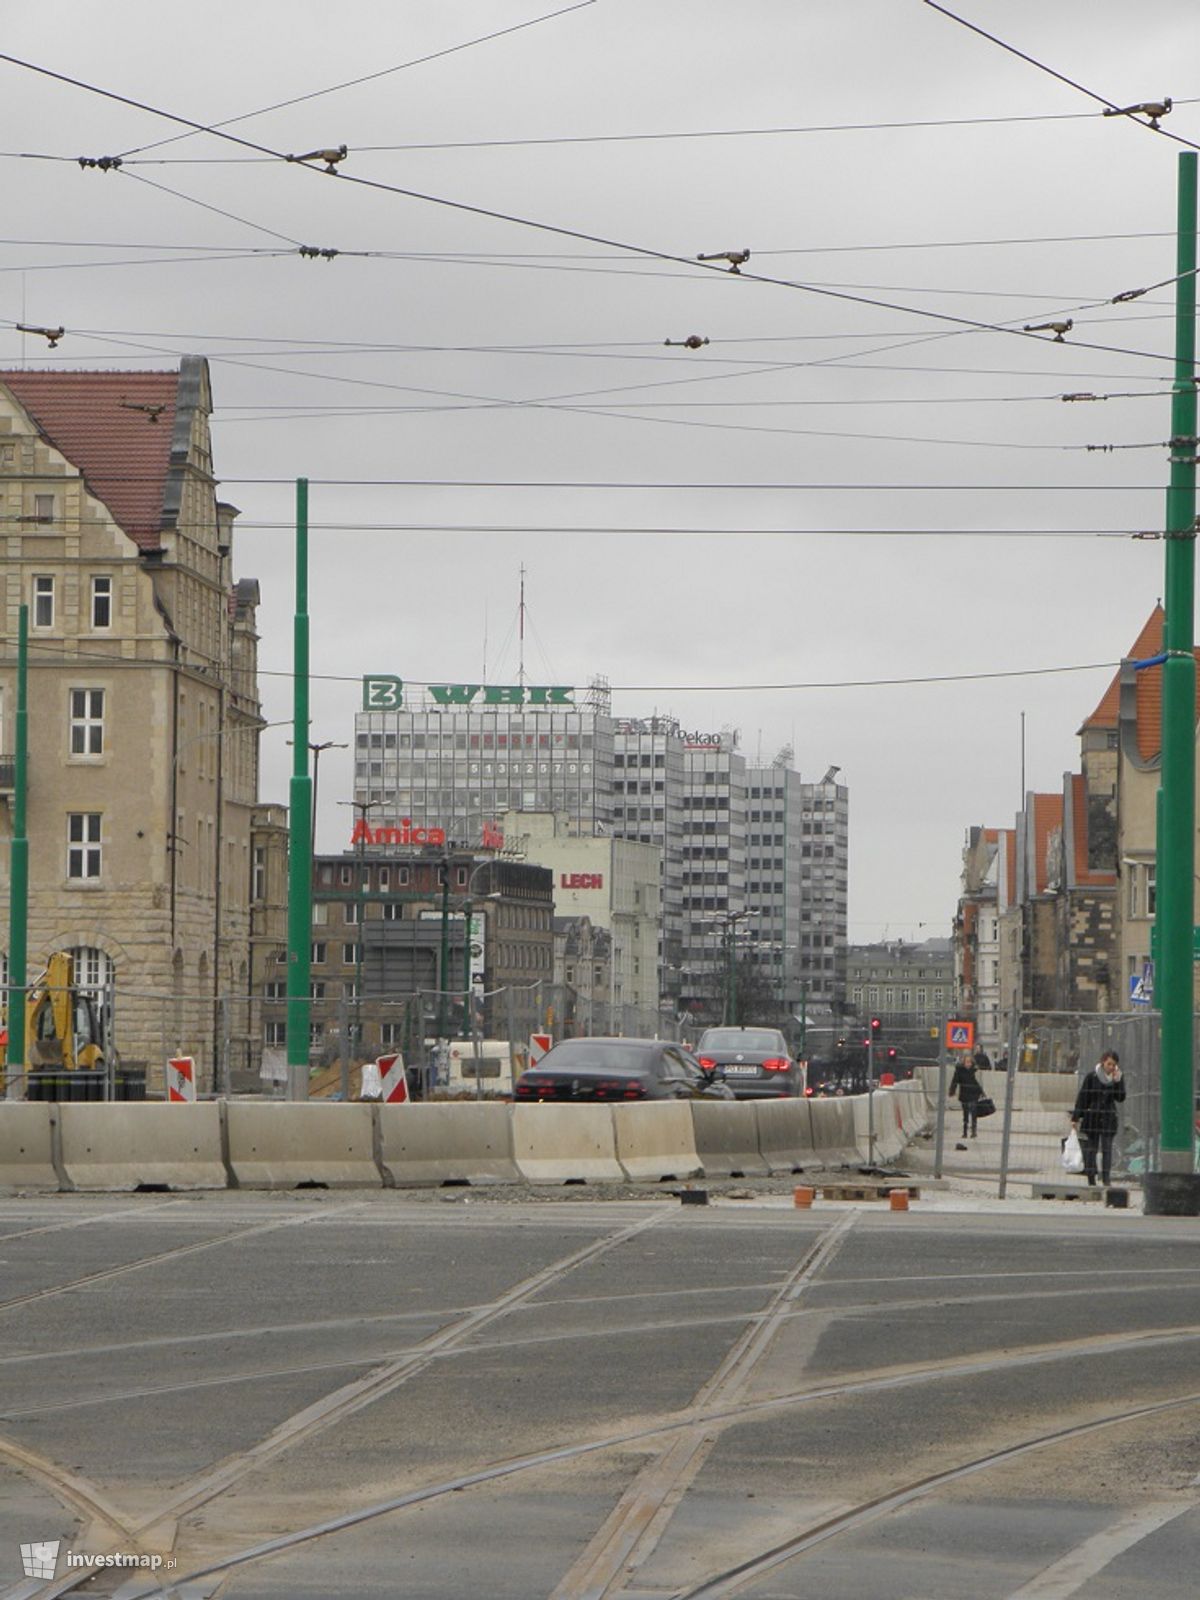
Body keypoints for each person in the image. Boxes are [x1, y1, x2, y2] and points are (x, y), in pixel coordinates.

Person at [1071, 1050, 1125, 1187]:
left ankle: (1106, 1179)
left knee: (1107, 1149)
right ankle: (1091, 1178)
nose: (1111, 1067)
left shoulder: (1117, 1077)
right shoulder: (1092, 1077)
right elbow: (1083, 1096)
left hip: (1108, 1116)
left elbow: (1120, 1097)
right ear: (1103, 1062)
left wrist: (1117, 1082)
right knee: (1092, 1149)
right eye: (1109, 1064)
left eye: (1114, 1065)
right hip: (1093, 1116)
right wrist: (1076, 1117)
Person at [949, 1055, 984, 1139]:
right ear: (963, 1063)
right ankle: (965, 1131)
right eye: (967, 1062)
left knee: (974, 1113)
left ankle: (974, 1131)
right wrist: (952, 1091)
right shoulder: (959, 1071)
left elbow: (976, 1082)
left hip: (973, 1094)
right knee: (965, 1113)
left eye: (970, 1062)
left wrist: (981, 1092)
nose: (968, 1064)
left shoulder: (974, 1071)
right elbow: (955, 1081)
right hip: (964, 1094)